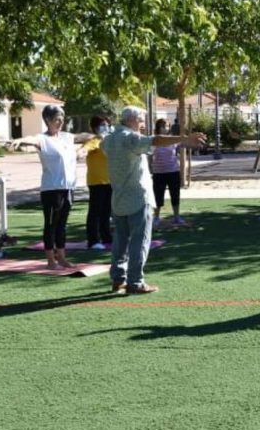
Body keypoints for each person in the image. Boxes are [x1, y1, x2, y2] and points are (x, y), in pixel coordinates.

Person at [102, 106, 205, 295]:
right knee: (140, 241)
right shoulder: (129, 137)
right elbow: (155, 140)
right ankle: (136, 282)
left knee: (120, 241)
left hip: (118, 197)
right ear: (132, 120)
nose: (142, 124)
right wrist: (184, 137)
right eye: (141, 120)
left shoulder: (109, 139)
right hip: (138, 197)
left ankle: (118, 280)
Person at [9, 105, 94, 269]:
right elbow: (33, 139)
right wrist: (20, 140)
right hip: (51, 190)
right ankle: (50, 260)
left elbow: (84, 136)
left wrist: (97, 136)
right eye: (57, 118)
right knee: (51, 225)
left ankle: (61, 257)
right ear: (47, 120)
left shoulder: (66, 137)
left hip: (68, 187)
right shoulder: (43, 139)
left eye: (62, 118)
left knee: (62, 225)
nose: (60, 121)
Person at [83, 115, 113, 249]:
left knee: (106, 212)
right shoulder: (94, 140)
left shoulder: (109, 141)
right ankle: (93, 240)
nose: (105, 127)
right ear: (95, 128)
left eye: (107, 124)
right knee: (95, 212)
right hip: (96, 182)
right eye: (102, 125)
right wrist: (80, 152)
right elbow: (86, 149)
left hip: (109, 181)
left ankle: (106, 237)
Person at [151, 118, 185, 227]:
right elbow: (149, 154)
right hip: (158, 173)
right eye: (162, 126)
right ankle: (156, 217)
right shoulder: (153, 140)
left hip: (173, 171)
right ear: (158, 128)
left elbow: (184, 144)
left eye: (166, 126)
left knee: (175, 194)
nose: (165, 128)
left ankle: (176, 217)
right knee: (158, 195)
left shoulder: (172, 140)